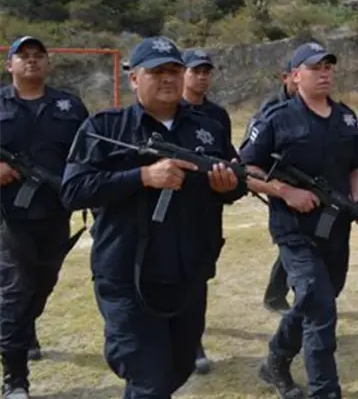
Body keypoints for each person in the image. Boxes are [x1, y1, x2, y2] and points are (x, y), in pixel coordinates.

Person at [60, 36, 246, 399]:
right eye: (157, 71)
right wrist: (142, 177)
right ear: (133, 78)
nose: (168, 79)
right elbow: (73, 190)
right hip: (127, 272)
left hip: (189, 269)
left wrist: (229, 186)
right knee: (149, 379)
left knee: (180, 366)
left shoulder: (208, 125)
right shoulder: (106, 127)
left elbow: (235, 179)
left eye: (175, 70)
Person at [241, 42, 358, 399]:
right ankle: (324, 390)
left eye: (329, 66)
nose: (325, 73)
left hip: (335, 226)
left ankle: (276, 360)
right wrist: (284, 191)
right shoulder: (276, 118)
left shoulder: (345, 117)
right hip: (293, 230)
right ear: (295, 76)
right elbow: (246, 170)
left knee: (318, 299)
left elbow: (355, 165)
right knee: (320, 305)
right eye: (315, 68)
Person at [0, 36, 89, 399]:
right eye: (23, 57)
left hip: (55, 210)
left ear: (48, 64)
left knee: (43, 283)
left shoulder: (69, 105)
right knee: (15, 288)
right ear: (10, 66)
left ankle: (25, 326)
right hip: (8, 214)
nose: (32, 62)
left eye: (39, 57)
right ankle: (15, 378)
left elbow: (89, 150)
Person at [180, 48, 234, 375]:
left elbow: (229, 155)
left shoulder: (217, 115)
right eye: (195, 70)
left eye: (206, 71)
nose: (201, 76)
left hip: (208, 208)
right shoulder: (172, 111)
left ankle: (191, 336)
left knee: (200, 275)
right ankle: (189, 342)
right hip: (173, 208)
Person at [254, 60, 298, 313]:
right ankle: (276, 296)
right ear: (286, 77)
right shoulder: (272, 108)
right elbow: (255, 150)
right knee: (291, 239)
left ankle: (280, 293)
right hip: (279, 182)